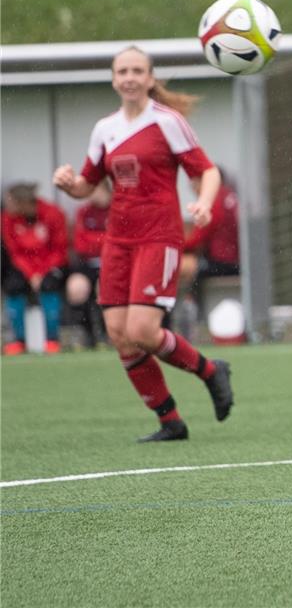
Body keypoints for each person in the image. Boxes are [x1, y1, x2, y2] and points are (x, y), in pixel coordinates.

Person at [53, 45, 234, 442]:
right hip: (118, 240)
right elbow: (88, 184)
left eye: (138, 70)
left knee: (142, 330)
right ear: (114, 79)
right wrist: (70, 184)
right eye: (123, 71)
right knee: (119, 333)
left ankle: (210, 370)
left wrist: (203, 203)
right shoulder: (105, 128)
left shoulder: (167, 122)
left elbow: (208, 171)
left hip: (159, 238)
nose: (130, 78)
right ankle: (170, 421)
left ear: (150, 79)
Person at [1, 182, 69, 355]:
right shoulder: (7, 219)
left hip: (52, 265)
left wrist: (43, 272)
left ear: (23, 203)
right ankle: (18, 341)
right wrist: (31, 274)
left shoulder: (52, 213)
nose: (7, 206)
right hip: (25, 268)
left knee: (49, 285)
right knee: (13, 286)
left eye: (11, 202)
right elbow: (15, 252)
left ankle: (52, 340)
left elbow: (59, 249)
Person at [175, 166, 240, 337]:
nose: (194, 189)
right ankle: (190, 311)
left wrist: (172, 246)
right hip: (234, 260)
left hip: (224, 263)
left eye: (195, 184)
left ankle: (190, 313)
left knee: (182, 267)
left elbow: (199, 238)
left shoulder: (214, 201)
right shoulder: (228, 195)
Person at [66, 178, 111, 349]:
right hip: (87, 264)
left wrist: (95, 240)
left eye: (96, 189)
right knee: (76, 288)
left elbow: (120, 241)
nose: (92, 194)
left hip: (112, 263)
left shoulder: (118, 210)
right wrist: (104, 240)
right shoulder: (83, 212)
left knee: (106, 288)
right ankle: (89, 335)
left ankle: (109, 335)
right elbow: (80, 243)